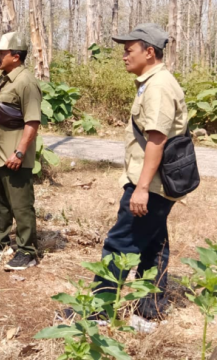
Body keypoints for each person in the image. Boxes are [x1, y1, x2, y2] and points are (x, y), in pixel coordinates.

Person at [93, 23, 188, 319]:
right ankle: (149, 309)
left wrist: (142, 188)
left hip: (152, 185)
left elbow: (157, 140)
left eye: (128, 50)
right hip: (156, 183)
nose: (124, 56)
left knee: (120, 244)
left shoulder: (158, 85)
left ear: (149, 52)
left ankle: (98, 312)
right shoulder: (153, 81)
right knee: (154, 245)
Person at [0, 32, 42, 271]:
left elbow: (32, 122)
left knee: (21, 204)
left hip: (13, 156)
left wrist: (20, 152)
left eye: (2, 53)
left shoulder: (26, 82)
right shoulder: (2, 79)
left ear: (16, 56)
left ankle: (27, 250)